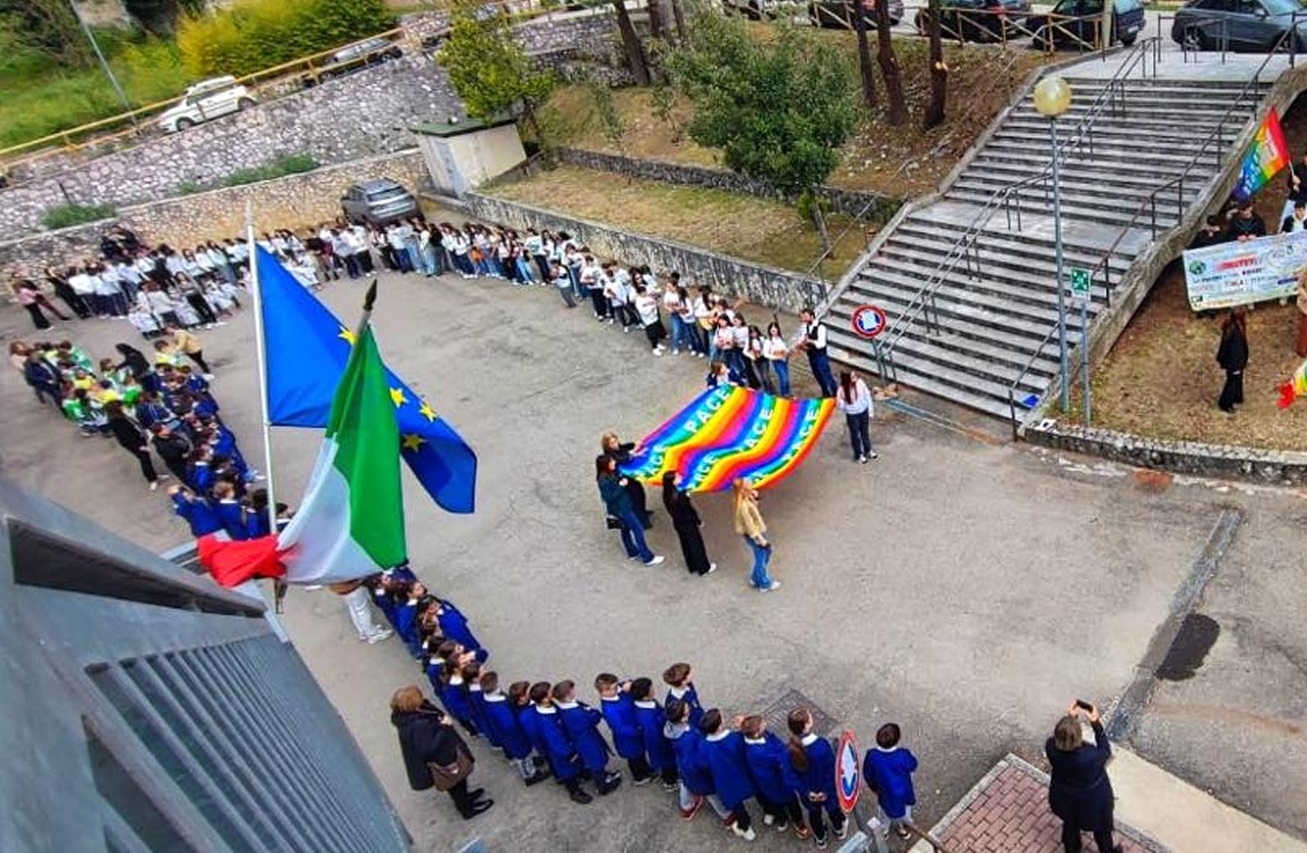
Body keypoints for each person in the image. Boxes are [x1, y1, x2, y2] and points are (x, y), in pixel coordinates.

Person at [391, 685, 493, 820]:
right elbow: (427, 749)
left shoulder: (408, 717)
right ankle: (467, 809)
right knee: (455, 782)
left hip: (445, 755)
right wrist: (443, 726)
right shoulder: (418, 725)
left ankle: (465, 799)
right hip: (444, 759)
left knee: (458, 783)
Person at [1046, 701, 1120, 853]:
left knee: (1070, 825)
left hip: (1065, 799)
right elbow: (1105, 751)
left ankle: (1072, 849)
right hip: (1092, 804)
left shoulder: (1051, 747)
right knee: (1102, 831)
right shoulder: (1090, 757)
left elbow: (1063, 739)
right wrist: (1096, 724)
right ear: (1078, 737)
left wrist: (1070, 720)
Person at [787, 708, 847, 849]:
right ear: (807, 724)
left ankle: (821, 839)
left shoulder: (789, 750)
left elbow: (790, 776)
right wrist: (825, 791)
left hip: (808, 794)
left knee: (814, 815)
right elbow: (831, 770)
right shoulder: (821, 745)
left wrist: (807, 792)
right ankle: (839, 830)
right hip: (827, 790)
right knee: (834, 810)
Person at [741, 715, 809, 837]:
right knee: (790, 802)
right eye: (762, 725)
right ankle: (798, 823)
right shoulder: (758, 752)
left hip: (771, 781)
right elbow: (781, 758)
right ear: (756, 734)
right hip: (776, 783)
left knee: (777, 802)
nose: (765, 724)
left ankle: (783, 820)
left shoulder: (754, 739)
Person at [699, 709, 758, 840]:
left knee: (737, 807)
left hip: (724, 782)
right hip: (741, 774)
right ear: (719, 726)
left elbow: (703, 765)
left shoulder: (703, 745)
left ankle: (746, 828)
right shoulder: (734, 738)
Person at [596, 455, 664, 566]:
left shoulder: (609, 474)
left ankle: (632, 552)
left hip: (622, 507)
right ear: (606, 465)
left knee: (625, 529)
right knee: (638, 529)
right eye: (611, 462)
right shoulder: (604, 480)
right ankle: (647, 557)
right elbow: (608, 497)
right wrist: (621, 486)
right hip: (622, 508)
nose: (614, 463)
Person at [864, 722, 919, 841]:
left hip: (884, 794)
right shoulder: (903, 754)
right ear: (897, 739)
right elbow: (913, 765)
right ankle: (903, 829)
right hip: (903, 793)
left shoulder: (872, 755)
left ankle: (884, 831)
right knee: (905, 814)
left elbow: (868, 774)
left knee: (884, 814)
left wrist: (874, 788)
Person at [662, 472, 715, 575]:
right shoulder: (681, 496)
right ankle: (704, 567)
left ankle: (692, 565)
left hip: (678, 523)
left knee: (686, 544)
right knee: (696, 545)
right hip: (688, 523)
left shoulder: (667, 494)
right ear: (673, 482)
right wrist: (698, 521)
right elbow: (689, 510)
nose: (680, 477)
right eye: (677, 477)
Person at [104, 401, 164, 490]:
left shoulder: (121, 416)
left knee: (146, 458)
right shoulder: (117, 422)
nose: (123, 407)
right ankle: (152, 479)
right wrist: (139, 446)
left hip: (139, 440)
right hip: (134, 444)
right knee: (144, 460)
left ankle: (154, 475)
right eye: (121, 406)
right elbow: (126, 437)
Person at [733, 477, 778, 592]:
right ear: (743, 489)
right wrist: (760, 539)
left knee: (763, 554)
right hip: (754, 534)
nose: (752, 486)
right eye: (750, 486)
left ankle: (755, 577)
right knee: (762, 555)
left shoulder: (744, 499)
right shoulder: (743, 507)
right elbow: (750, 526)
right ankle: (763, 582)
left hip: (755, 532)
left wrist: (753, 499)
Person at [602, 433, 652, 528]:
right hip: (625, 481)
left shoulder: (618, 448)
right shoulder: (610, 456)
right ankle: (642, 521)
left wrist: (635, 444)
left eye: (615, 441)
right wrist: (634, 451)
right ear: (607, 446)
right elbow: (624, 459)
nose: (615, 444)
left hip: (631, 477)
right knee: (636, 499)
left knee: (641, 494)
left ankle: (643, 512)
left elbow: (625, 446)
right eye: (612, 443)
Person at [330, 578, 394, 644]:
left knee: (353, 608)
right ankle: (372, 634)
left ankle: (363, 631)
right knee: (361, 610)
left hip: (339, 587)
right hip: (352, 585)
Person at [836, 370, 877, 464]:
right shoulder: (841, 389)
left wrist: (870, 411)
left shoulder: (860, 383)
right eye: (852, 377)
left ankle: (868, 450)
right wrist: (844, 404)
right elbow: (840, 405)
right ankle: (858, 454)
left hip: (863, 411)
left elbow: (867, 396)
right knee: (855, 435)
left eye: (855, 376)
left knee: (865, 432)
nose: (855, 378)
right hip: (852, 415)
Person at [1216, 308, 1248, 413]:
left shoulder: (1232, 328)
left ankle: (1237, 396)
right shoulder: (1235, 333)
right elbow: (1235, 351)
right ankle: (1225, 403)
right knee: (1232, 382)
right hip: (1234, 363)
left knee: (1237, 380)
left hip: (1235, 361)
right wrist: (1237, 365)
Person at [1296, 268, 1307, 358]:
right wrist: (1306, 297)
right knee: (1305, 330)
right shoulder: (1305, 272)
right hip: (1306, 306)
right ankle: (1301, 350)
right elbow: (1299, 286)